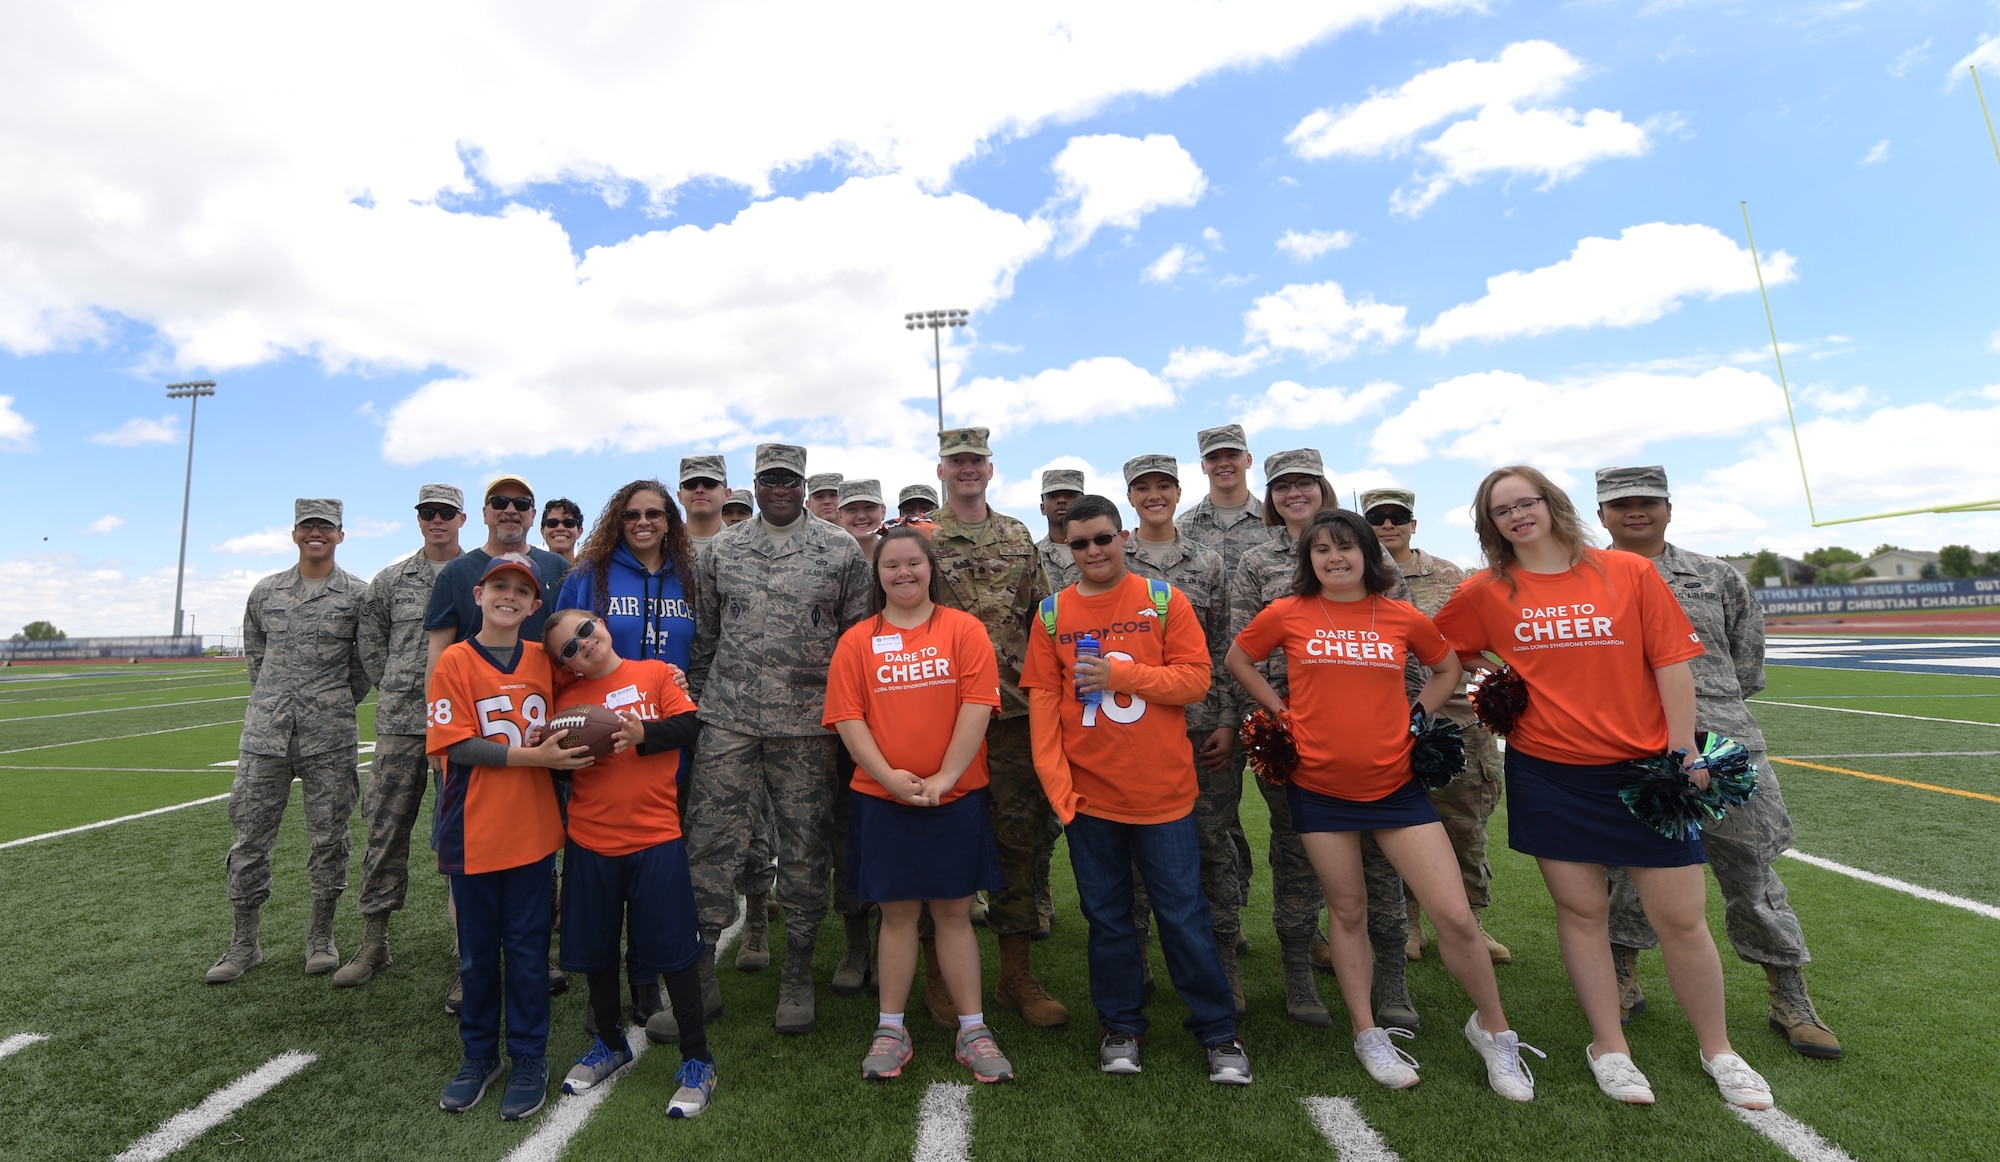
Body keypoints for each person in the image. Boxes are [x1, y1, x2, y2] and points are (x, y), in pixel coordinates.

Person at [1432, 466, 1773, 1110]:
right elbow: (1437, 646)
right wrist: (1497, 683)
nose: (1516, 516)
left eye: (1525, 502)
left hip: (1646, 772)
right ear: (1490, 525)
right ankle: (1608, 1047)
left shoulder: (1629, 573)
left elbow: (1672, 661)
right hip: (1551, 773)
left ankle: (1720, 1049)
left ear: (1552, 505)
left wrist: (1683, 751)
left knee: (1680, 917)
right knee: (1583, 914)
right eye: (1501, 511)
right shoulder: (1484, 591)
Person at [1226, 509, 1539, 1100]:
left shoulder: (1399, 615)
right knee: (1346, 912)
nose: (1334, 558)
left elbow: (1446, 667)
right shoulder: (1288, 613)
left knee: (1452, 914)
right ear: (1308, 560)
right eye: (1322, 550)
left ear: (1370, 555)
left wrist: (1419, 712)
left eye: (1346, 548)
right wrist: (1277, 710)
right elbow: (1239, 659)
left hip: (1396, 789)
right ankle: (1368, 1032)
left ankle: (1495, 1031)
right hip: (1318, 789)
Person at [1594, 465, 1840, 1059]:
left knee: (1750, 869)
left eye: (1647, 501)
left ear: (1669, 508)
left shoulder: (1714, 576)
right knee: (1626, 871)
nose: (1635, 512)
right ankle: (1622, 980)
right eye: (1620, 503)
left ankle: (1789, 994)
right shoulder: (1585, 579)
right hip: (1630, 744)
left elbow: (1745, 661)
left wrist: (1711, 714)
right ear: (1601, 514)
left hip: (1723, 745)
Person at [1022, 494, 1250, 1084]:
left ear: (1122, 536)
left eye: (1102, 538)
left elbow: (1196, 681)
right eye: (1080, 543)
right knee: (1109, 920)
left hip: (1163, 793)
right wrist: (1058, 788)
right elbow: (1044, 706)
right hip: (1091, 798)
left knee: (1183, 915)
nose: (1093, 551)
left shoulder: (1162, 598)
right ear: (1066, 549)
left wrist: (1122, 674)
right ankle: (1120, 1025)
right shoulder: (1051, 613)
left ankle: (1218, 1032)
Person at [686, 444, 872, 1035]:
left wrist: (848, 725)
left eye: (791, 478)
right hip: (729, 720)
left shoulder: (840, 549)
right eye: (770, 478)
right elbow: (706, 637)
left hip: (808, 727)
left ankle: (796, 973)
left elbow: (857, 642)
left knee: (805, 848)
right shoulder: (723, 549)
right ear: (755, 482)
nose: (781, 488)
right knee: (710, 844)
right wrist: (698, 708)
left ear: (804, 482)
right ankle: (700, 976)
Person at [1225, 449, 1413, 1030]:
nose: (1293, 494)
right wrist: (1265, 719)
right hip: (1292, 740)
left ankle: (1393, 979)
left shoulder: (1369, 550)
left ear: (1323, 488)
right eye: (1282, 487)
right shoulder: (1256, 562)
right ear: (1271, 497)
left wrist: (1410, 719)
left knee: (1383, 860)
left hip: (1375, 737)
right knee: (1295, 853)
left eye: (1304, 483)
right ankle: (1299, 972)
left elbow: (1405, 640)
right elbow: (1236, 648)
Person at [824, 526, 1015, 1084]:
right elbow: (848, 717)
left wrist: (945, 777)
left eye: (914, 563)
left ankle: (973, 1029)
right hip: (882, 800)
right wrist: (888, 778)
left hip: (955, 796)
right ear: (876, 574)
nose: (903, 574)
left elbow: (978, 705)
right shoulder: (858, 640)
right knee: (899, 914)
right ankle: (890, 1027)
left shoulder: (964, 629)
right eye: (891, 566)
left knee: (954, 912)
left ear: (931, 568)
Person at [429, 554, 592, 1120]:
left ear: (535, 604)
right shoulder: (454, 659)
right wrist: (533, 755)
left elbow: (593, 683)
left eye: (520, 590)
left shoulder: (544, 658)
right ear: (478, 593)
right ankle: (479, 1055)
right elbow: (456, 744)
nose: (508, 596)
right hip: (471, 830)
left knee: (526, 955)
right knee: (476, 958)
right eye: (499, 585)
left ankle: (527, 1057)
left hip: (531, 830)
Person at [542, 608, 719, 1118]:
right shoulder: (565, 702)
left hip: (655, 838)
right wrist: (559, 760)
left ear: (600, 622)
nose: (582, 645)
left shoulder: (656, 672)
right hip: (590, 842)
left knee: (674, 952)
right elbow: (557, 768)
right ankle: (610, 1043)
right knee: (596, 950)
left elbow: (690, 725)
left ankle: (697, 1057)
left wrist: (644, 737)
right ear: (564, 666)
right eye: (568, 650)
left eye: (583, 631)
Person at [928, 427, 1069, 1029]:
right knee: (942, 842)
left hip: (1012, 714)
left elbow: (1046, 615)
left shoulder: (1017, 535)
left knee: (1019, 842)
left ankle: (1015, 976)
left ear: (990, 470)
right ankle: (939, 973)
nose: (967, 471)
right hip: (941, 713)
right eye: (956, 462)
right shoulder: (921, 538)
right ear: (941, 471)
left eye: (975, 462)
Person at [553, 479, 699, 1031]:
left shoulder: (688, 576)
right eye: (633, 513)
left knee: (652, 877)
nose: (644, 522)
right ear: (618, 518)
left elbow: (702, 645)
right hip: (598, 749)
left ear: (670, 521)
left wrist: (684, 686)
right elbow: (558, 652)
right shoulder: (588, 576)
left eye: (655, 514)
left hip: (663, 742)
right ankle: (603, 993)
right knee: (599, 871)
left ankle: (645, 985)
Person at [208, 499, 371, 985]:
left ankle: (321, 936)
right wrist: (276, 703)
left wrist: (330, 701)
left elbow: (363, 668)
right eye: (307, 526)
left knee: (329, 839)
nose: (315, 533)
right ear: (295, 533)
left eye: (325, 527)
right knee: (250, 839)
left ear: (341, 535)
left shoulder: (358, 596)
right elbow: (256, 658)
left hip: (330, 737)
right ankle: (244, 942)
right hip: (265, 736)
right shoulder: (266, 592)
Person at [425, 472, 572, 1006]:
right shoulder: (458, 571)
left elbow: (574, 649)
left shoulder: (558, 567)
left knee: (538, 846)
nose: (510, 510)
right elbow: (439, 654)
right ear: (484, 511)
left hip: (539, 729)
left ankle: (538, 951)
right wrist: (441, 732)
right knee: (468, 852)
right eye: (499, 502)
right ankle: (473, 961)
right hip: (476, 733)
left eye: (522, 503)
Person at [1359, 486, 1511, 966]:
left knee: (1464, 827)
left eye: (1396, 516)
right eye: (1377, 519)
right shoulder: (1355, 576)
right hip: (1385, 723)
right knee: (1393, 828)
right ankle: (1407, 923)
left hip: (1456, 722)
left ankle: (1469, 922)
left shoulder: (1452, 577)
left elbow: (1481, 643)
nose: (1387, 526)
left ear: (1413, 523)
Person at [1119, 454, 1239, 1012]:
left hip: (1200, 731)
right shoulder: (1118, 559)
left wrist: (1226, 720)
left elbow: (1221, 648)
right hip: (1138, 728)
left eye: (1163, 486)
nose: (1154, 496)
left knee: (1213, 847)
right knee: (1139, 857)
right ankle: (1137, 964)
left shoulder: (1209, 562)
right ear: (1130, 497)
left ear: (1177, 490)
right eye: (1142, 488)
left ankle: (1222, 969)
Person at [338, 485, 465, 987]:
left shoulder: (476, 573)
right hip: (400, 726)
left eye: (446, 513)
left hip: (459, 725)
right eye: (428, 513)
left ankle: (465, 945)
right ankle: (374, 940)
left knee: (460, 835)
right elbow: (371, 648)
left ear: (461, 518)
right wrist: (400, 685)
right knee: (385, 831)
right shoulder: (390, 581)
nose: (437, 520)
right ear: (418, 520)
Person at [1175, 424, 1266, 959]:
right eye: (1214, 458)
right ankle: (1226, 921)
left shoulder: (1279, 525)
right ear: (1203, 466)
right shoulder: (1185, 532)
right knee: (1217, 818)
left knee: (1298, 827)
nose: (1223, 463)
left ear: (1248, 459)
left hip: (1276, 690)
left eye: (1231, 455)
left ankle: (1311, 925)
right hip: (1210, 700)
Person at [1034, 468, 1084, 591]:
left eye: (1070, 496)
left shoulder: (1099, 552)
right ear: (1042, 507)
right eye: (1053, 496)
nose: (1061, 500)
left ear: (1083, 503)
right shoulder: (1032, 555)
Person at [678, 456, 730, 551]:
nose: (699, 490)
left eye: (709, 483)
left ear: (726, 494)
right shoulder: (662, 546)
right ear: (679, 496)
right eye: (690, 484)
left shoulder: (746, 545)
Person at [837, 479, 888, 543]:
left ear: (883, 511)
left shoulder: (899, 552)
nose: (861, 516)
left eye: (869, 507)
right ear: (840, 515)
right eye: (852, 509)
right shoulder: (826, 553)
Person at [541, 499, 584, 566]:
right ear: (542, 531)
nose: (560, 528)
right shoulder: (531, 571)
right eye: (552, 523)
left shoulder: (591, 572)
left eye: (568, 523)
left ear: (579, 531)